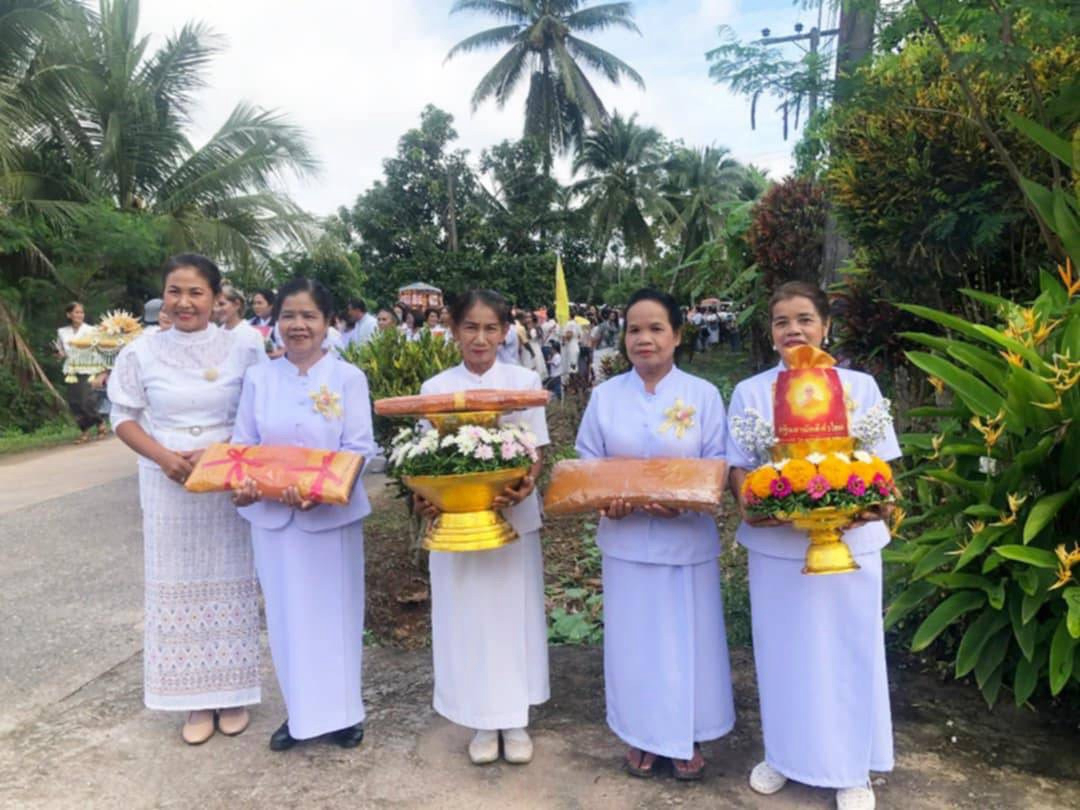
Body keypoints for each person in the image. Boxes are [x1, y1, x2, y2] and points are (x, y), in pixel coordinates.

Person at [726, 281, 899, 810]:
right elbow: (738, 468)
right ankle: (784, 754)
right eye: (782, 321)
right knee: (783, 653)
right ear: (770, 331)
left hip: (852, 544)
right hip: (778, 548)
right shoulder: (752, 392)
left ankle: (852, 769)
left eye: (804, 319)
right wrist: (757, 506)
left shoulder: (859, 387)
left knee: (851, 649)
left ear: (826, 325)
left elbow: (882, 465)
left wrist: (868, 504)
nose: (793, 330)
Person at [575, 288, 735, 781]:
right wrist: (607, 500)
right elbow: (587, 462)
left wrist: (683, 502)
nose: (644, 339)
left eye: (656, 329)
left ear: (678, 335)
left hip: (685, 540)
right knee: (635, 643)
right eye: (634, 330)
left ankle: (686, 735)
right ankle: (642, 735)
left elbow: (717, 467)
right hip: (625, 542)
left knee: (688, 641)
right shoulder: (604, 397)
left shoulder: (702, 395)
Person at [107, 253, 266, 745]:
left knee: (231, 580)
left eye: (196, 292)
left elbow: (261, 413)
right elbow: (123, 416)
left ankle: (232, 691)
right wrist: (164, 459)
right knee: (176, 581)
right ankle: (191, 698)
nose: (184, 302)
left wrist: (226, 456)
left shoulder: (243, 346)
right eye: (175, 291)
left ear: (216, 297)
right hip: (165, 484)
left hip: (225, 482)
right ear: (163, 297)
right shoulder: (140, 352)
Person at [231, 278, 376, 752]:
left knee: (334, 613)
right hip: (272, 521)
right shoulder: (260, 377)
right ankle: (299, 714)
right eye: (288, 316)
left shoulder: (347, 378)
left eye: (309, 316)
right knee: (287, 616)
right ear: (275, 323)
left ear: (328, 322)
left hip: (330, 518)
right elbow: (244, 443)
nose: (298, 326)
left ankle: (344, 713)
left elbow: (357, 448)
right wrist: (246, 483)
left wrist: (323, 491)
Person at [414, 289, 550, 766]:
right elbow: (424, 459)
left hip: (511, 516)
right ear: (453, 331)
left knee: (512, 612)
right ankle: (477, 717)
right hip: (455, 524)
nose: (480, 337)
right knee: (465, 614)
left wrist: (526, 485)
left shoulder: (524, 380)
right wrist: (428, 497)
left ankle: (513, 718)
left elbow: (537, 451)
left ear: (505, 331)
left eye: (491, 327)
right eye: (470, 327)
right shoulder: (434, 389)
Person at [56, 302, 107, 442]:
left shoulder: (91, 330)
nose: (79, 315)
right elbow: (62, 350)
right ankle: (84, 431)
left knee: (86, 401)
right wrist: (59, 354)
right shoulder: (62, 332)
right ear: (69, 314)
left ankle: (99, 421)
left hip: (88, 368)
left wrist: (102, 371)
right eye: (76, 312)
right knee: (74, 403)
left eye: (81, 312)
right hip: (71, 369)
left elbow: (99, 350)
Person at [214, 286, 268, 356]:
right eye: (215, 305)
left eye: (222, 304)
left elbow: (262, 364)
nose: (217, 309)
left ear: (237, 304)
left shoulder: (252, 335)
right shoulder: (216, 334)